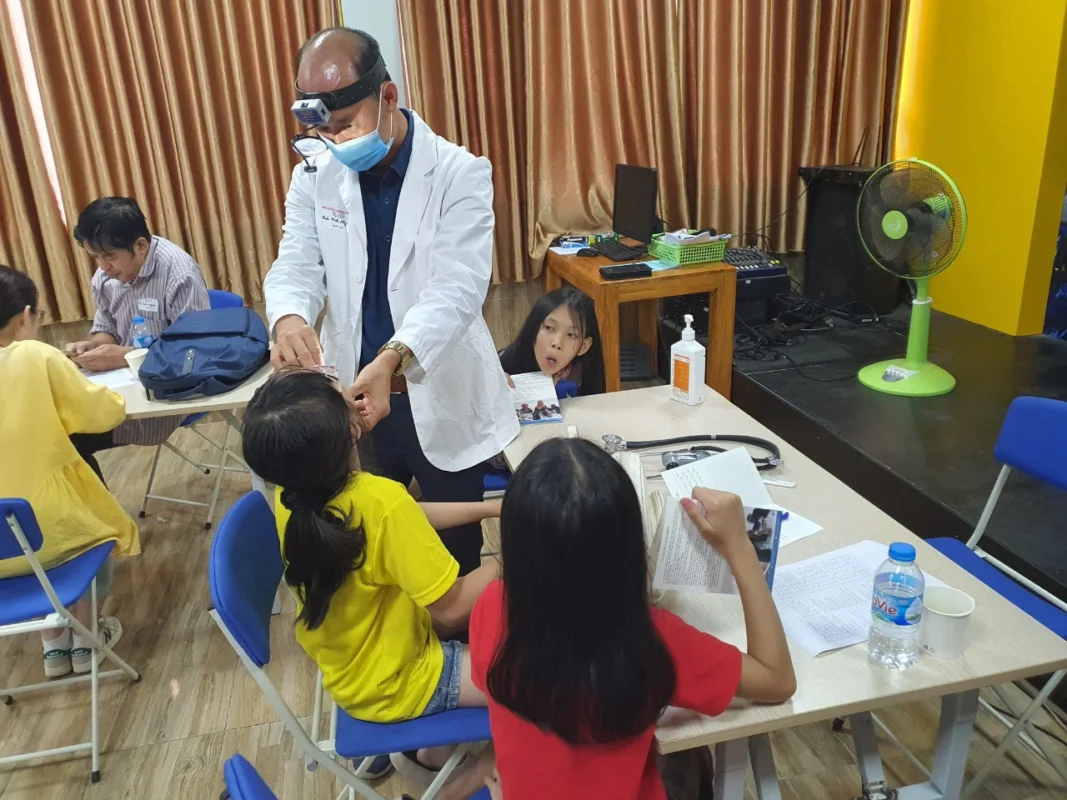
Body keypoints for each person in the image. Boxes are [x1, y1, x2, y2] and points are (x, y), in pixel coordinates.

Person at [264, 27, 517, 577]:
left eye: (346, 124)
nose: (336, 142)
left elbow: (458, 288)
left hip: (439, 388)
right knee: (374, 546)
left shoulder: (459, 173)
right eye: (323, 131)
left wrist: (392, 358)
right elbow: (297, 262)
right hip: (358, 398)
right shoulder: (314, 176)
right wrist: (288, 316)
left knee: (452, 552)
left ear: (388, 96)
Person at [469, 438, 797, 800]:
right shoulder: (653, 641)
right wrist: (740, 548)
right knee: (693, 758)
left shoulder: (490, 608)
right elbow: (777, 680)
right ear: (628, 547)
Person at [241, 368, 499, 793]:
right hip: (402, 680)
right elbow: (452, 609)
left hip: (352, 672)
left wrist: (492, 509)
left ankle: (431, 756)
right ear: (353, 430)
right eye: (341, 393)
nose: (350, 391)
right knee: (550, 683)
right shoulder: (380, 502)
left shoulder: (293, 496)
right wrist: (511, 559)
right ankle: (464, 783)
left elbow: (399, 518)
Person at [0, 266, 138, 678]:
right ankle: (87, 638)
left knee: (21, 542)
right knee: (94, 526)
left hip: (3, 547)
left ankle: (53, 646)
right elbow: (100, 414)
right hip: (48, 529)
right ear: (25, 315)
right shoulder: (35, 355)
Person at [64, 196, 210, 476]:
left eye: (109, 256)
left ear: (141, 245)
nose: (103, 266)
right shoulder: (105, 277)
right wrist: (92, 348)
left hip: (168, 394)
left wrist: (125, 356)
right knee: (59, 430)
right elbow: (106, 329)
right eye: (95, 257)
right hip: (120, 388)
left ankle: (99, 508)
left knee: (68, 442)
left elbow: (192, 350)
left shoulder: (179, 274)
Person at [498, 287, 605, 395]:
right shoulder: (501, 366)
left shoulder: (585, 373)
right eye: (549, 328)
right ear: (533, 328)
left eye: (571, 335)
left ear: (583, 346)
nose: (557, 343)